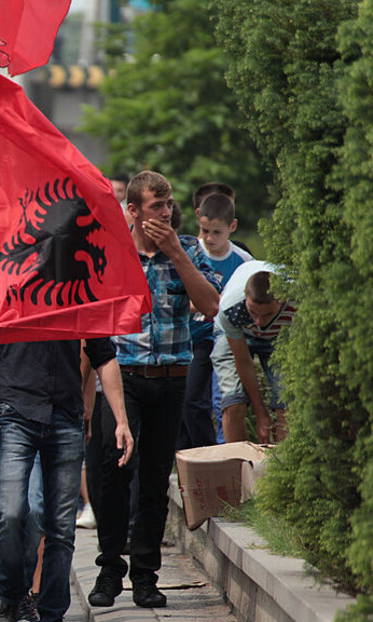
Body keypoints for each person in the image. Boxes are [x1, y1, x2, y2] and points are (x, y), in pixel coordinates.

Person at [88, 171, 220, 610]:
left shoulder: (183, 249)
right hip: (121, 378)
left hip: (171, 378)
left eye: (168, 205)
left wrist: (176, 252)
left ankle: (145, 574)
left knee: (153, 477)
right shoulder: (111, 250)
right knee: (113, 468)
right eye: (155, 207)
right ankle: (110, 568)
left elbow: (210, 305)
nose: (165, 214)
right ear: (133, 211)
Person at [0, 335, 134, 622]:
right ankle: (12, 595)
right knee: (10, 513)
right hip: (15, 411)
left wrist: (122, 420)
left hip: (65, 414)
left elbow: (104, 356)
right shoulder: (10, 290)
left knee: (61, 527)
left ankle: (52, 613)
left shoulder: (78, 292)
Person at [181, 192, 253, 449]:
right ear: (198, 219)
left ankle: (224, 451)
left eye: (216, 232)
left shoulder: (244, 261)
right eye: (204, 231)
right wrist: (208, 302)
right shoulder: (190, 255)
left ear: (232, 227)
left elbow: (251, 300)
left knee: (225, 399)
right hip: (197, 339)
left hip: (229, 339)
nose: (209, 239)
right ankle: (204, 451)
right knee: (191, 402)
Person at [212, 263, 296, 443]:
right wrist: (261, 413)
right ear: (245, 296)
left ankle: (284, 466)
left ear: (281, 301)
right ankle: (237, 466)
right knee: (233, 404)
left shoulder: (299, 303)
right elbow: (242, 360)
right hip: (235, 334)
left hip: (280, 336)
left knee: (287, 405)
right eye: (253, 312)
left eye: (266, 314)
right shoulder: (230, 307)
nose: (258, 321)